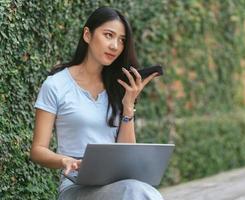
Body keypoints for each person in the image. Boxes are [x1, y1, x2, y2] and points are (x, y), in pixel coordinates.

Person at [30, 6, 164, 200]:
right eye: (108, 35)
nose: (115, 46)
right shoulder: (56, 85)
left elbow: (126, 155)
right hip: (75, 187)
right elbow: (37, 150)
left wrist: (128, 105)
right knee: (134, 191)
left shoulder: (117, 87)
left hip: (115, 186)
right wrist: (66, 160)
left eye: (121, 40)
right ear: (87, 34)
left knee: (138, 189)